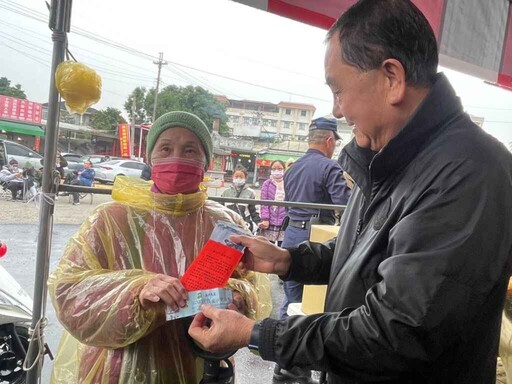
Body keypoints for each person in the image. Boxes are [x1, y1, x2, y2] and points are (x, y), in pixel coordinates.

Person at [188, 1, 512, 383]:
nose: (336, 110)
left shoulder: (469, 172)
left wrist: (255, 333)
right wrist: (288, 260)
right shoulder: (387, 157)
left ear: (391, 77)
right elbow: (366, 254)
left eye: (338, 90)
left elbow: (399, 331)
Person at [48, 111, 271, 384]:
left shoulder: (226, 224)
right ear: (150, 158)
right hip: (120, 369)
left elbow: (252, 289)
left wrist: (237, 297)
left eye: (190, 150)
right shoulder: (110, 220)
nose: (177, 159)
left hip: (201, 367)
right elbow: (69, 294)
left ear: (207, 162)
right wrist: (136, 291)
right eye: (166, 148)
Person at [221, 166, 261, 232]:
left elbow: (253, 211)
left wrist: (258, 222)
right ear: (232, 177)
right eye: (236, 177)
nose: (238, 179)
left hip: (244, 224)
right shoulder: (225, 192)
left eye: (241, 177)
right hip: (228, 224)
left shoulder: (251, 193)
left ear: (245, 178)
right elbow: (221, 208)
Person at [258, 160, 286, 244]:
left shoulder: (289, 183)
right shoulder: (267, 184)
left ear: (284, 169)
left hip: (284, 221)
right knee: (268, 247)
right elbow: (264, 202)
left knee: (283, 247)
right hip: (270, 221)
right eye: (274, 169)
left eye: (279, 168)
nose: (277, 171)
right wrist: (265, 219)